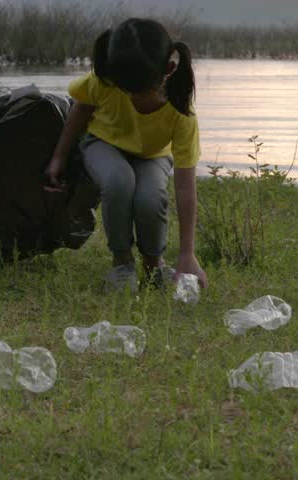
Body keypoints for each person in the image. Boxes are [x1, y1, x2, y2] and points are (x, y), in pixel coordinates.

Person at [44, 18, 206, 292]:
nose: (132, 99)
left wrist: (187, 254)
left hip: (152, 155)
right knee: (120, 180)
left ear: (168, 70)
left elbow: (185, 184)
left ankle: (154, 264)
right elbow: (81, 110)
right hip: (102, 143)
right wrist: (59, 156)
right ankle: (122, 263)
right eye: (125, 90)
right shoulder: (105, 80)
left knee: (150, 197)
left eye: (140, 92)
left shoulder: (181, 113)